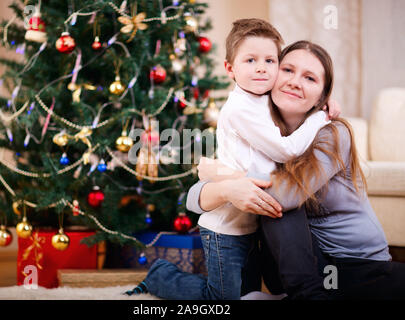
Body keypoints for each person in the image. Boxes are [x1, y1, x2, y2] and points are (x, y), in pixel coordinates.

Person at [125, 19, 338, 300]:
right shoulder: (239, 108)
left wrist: (324, 101)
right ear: (230, 68)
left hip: (252, 223)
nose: (261, 67)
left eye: (270, 60)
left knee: (246, 292)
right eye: (250, 60)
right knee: (221, 299)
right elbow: (285, 151)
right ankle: (161, 275)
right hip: (225, 227)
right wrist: (319, 117)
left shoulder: (264, 99)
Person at [189, 40, 405, 300]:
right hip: (296, 268)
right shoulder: (258, 127)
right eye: (288, 70)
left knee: (278, 200)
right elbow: (193, 198)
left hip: (357, 265)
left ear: (323, 96)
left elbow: (283, 197)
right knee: (273, 201)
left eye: (310, 78)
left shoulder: (333, 133)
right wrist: (222, 187)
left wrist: (223, 175)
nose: (294, 81)